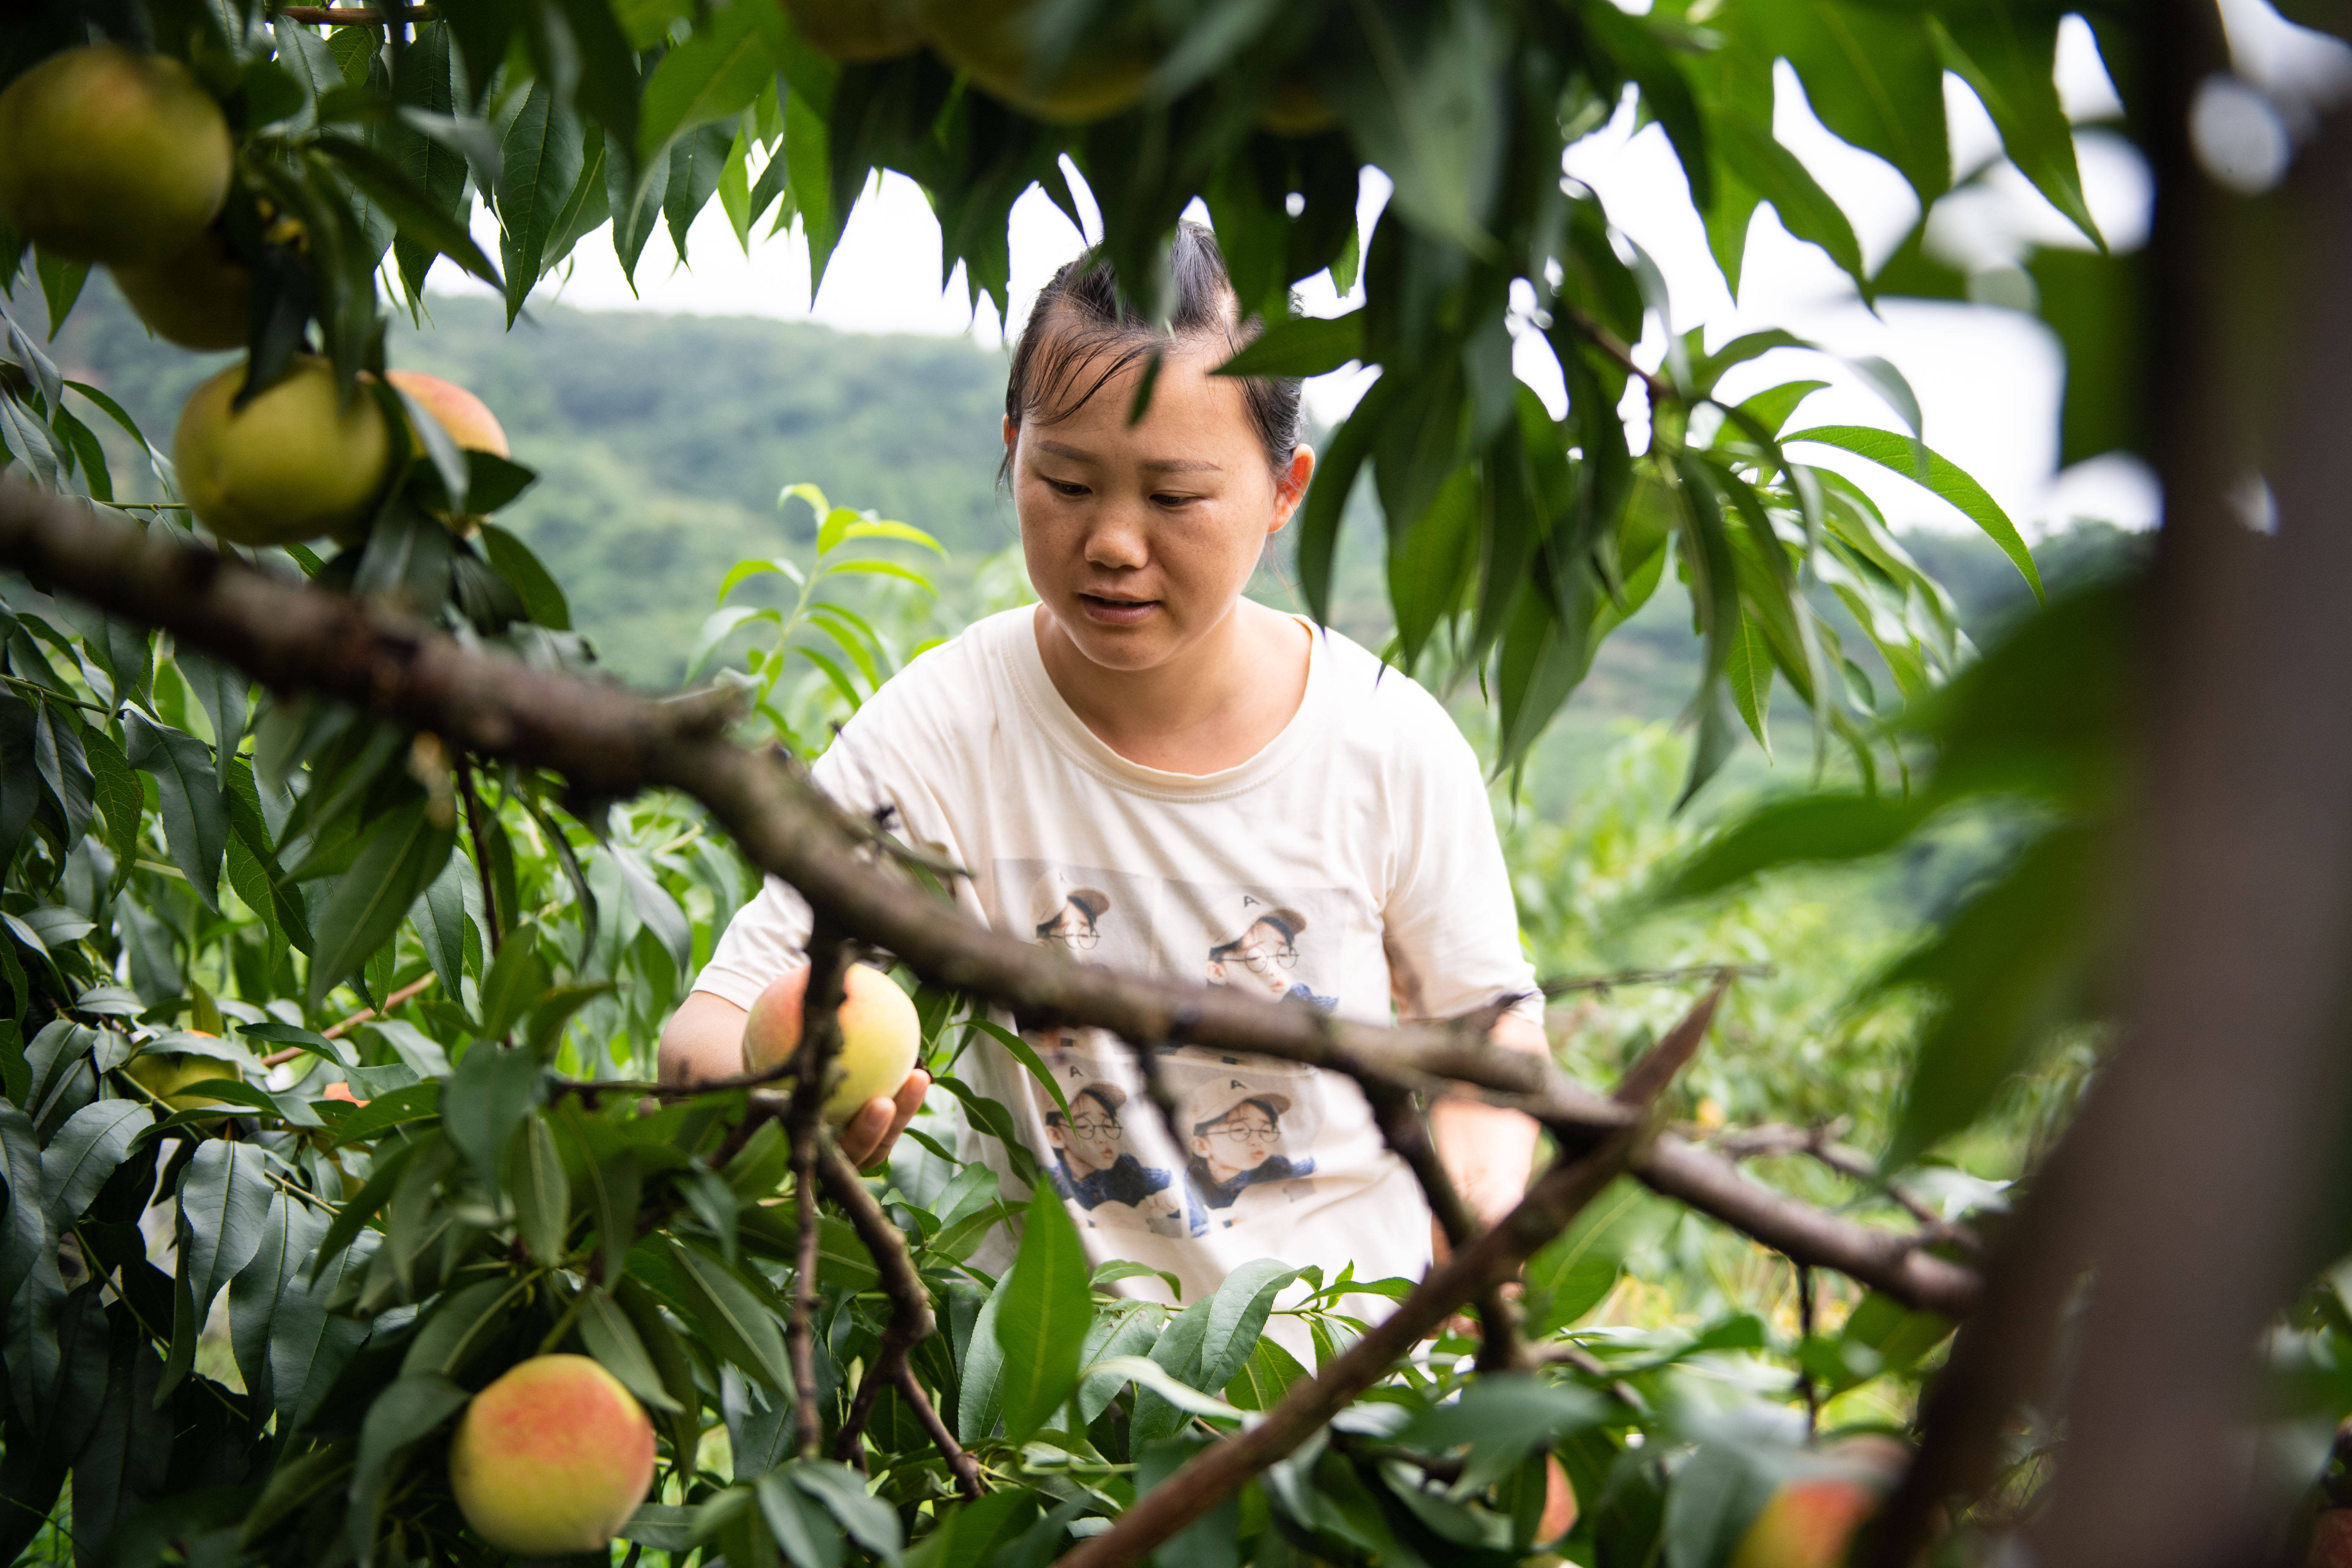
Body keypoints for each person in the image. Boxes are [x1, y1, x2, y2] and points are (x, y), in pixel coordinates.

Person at [658, 220, 1547, 1318]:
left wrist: (1473, 1216)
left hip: (1342, 1399)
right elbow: (716, 1023)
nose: (1114, 543)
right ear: (1012, 447)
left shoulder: (1383, 745)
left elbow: (1491, 1041)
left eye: (1174, 498)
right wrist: (765, 1104)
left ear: (1284, 493)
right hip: (1044, 1433)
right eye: (1068, 483)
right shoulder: (948, 731)